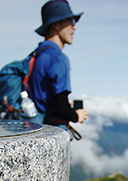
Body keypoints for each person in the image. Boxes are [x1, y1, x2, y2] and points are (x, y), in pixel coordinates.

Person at [28, 0, 88, 129]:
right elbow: (62, 108)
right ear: (56, 24)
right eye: (71, 22)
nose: (74, 27)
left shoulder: (37, 55)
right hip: (53, 131)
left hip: (36, 128)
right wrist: (77, 115)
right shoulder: (58, 59)